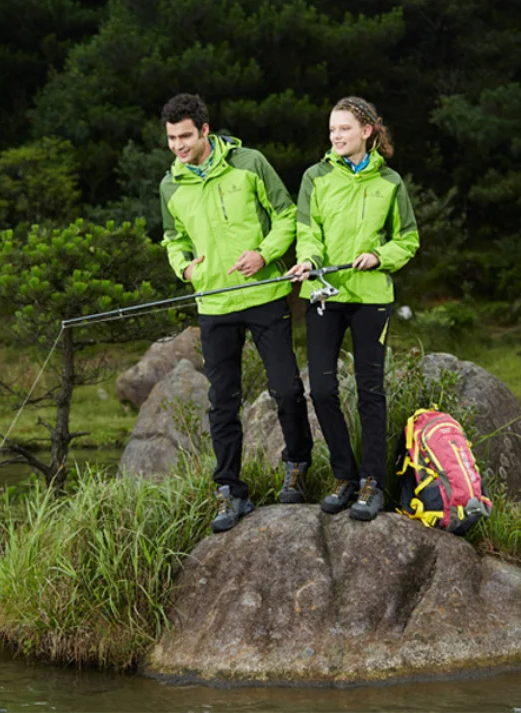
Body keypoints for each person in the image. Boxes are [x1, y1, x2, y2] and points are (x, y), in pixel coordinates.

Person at [159, 93, 314, 533]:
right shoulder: (171, 184)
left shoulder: (250, 163)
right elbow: (173, 239)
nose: (178, 146)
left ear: (205, 131)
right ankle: (230, 490)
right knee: (221, 402)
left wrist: (264, 255)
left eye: (185, 136)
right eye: (171, 138)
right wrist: (184, 266)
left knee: (285, 389)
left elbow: (287, 216)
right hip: (214, 305)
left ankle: (298, 464)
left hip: (264, 294)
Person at [287, 96, 419, 521]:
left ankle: (372, 483)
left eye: (344, 129)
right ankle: (344, 477)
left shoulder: (390, 183)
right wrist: (307, 259)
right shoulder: (315, 177)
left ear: (367, 131)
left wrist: (380, 256)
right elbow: (307, 229)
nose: (336, 136)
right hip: (325, 295)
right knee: (322, 389)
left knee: (370, 391)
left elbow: (408, 239)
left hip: (370, 299)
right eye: (331, 130)